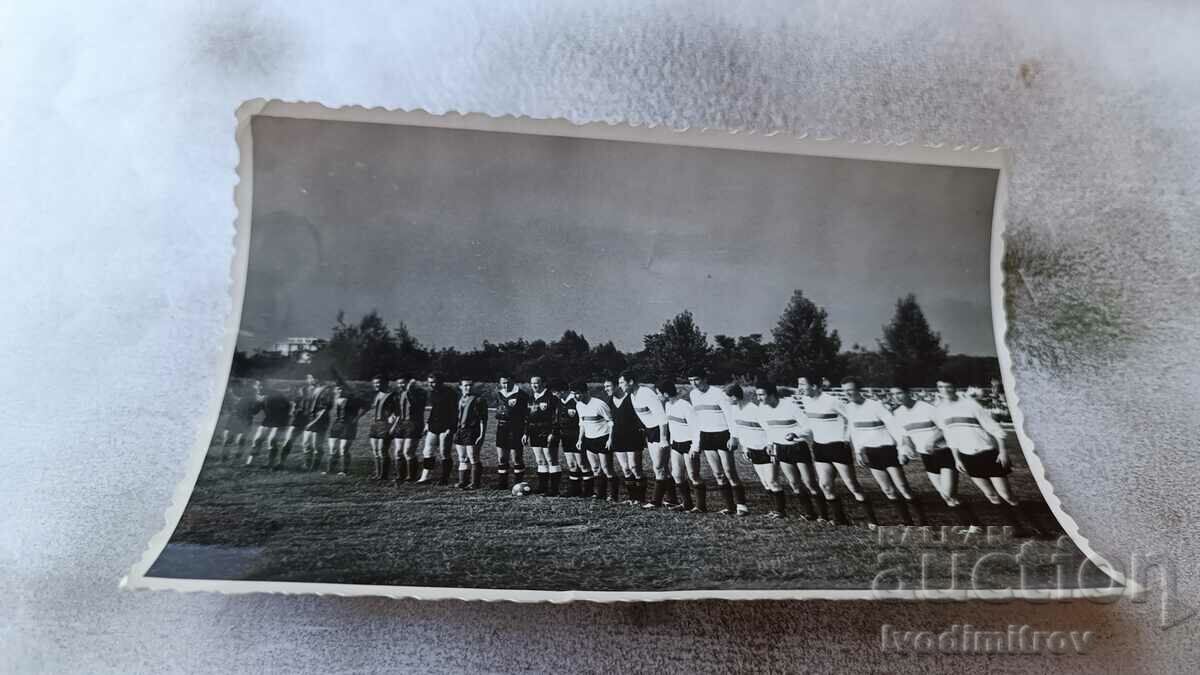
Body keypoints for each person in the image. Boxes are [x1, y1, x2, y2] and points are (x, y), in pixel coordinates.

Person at [935, 378, 1043, 536]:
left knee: (1007, 495)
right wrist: (957, 459)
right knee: (991, 496)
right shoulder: (941, 410)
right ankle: (1018, 529)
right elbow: (950, 438)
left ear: (954, 387)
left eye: (948, 386)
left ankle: (1038, 528)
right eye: (941, 387)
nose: (945, 390)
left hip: (987, 454)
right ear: (938, 389)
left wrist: (1002, 451)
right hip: (967, 458)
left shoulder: (970, 405)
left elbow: (995, 428)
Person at [889, 383, 979, 531]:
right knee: (946, 496)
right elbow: (905, 436)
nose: (896, 397)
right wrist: (905, 451)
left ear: (907, 392)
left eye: (898, 393)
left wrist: (932, 440)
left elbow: (945, 428)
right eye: (892, 395)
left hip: (944, 453)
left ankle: (974, 524)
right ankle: (972, 525)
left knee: (948, 492)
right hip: (927, 457)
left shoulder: (927, 408)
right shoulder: (898, 413)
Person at [841, 377, 914, 527]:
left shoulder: (876, 405)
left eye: (850, 389)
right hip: (871, 452)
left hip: (887, 450)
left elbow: (894, 427)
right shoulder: (849, 408)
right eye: (845, 390)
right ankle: (906, 522)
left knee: (903, 487)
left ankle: (921, 521)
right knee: (887, 489)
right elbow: (855, 432)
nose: (848, 393)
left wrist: (902, 449)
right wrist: (858, 452)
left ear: (858, 390)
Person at [797, 374, 862, 526]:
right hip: (819, 447)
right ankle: (840, 519)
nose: (799, 388)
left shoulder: (833, 401)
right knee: (825, 485)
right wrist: (798, 434)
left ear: (814, 386)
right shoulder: (806, 401)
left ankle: (873, 521)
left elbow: (851, 419)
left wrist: (846, 438)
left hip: (837, 446)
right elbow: (812, 424)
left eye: (802, 384)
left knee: (852, 485)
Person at [755, 382, 819, 521]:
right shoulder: (761, 409)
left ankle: (824, 515)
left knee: (810, 483)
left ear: (771, 395)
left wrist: (795, 434)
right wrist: (770, 443)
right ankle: (810, 513)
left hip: (798, 447)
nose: (759, 398)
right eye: (757, 395)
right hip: (781, 448)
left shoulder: (790, 406)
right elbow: (768, 430)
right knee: (794, 483)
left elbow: (808, 426)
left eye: (761, 394)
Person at [687, 367, 747, 516]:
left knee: (729, 471)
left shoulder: (718, 394)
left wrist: (733, 436)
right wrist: (698, 439)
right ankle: (729, 507)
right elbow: (698, 418)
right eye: (690, 380)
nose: (694, 383)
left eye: (696, 379)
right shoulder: (693, 394)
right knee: (718, 473)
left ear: (704, 379)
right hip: (706, 436)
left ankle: (741, 505)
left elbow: (730, 416)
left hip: (722, 434)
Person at [621, 372, 674, 509]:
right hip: (650, 432)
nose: (620, 386)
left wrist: (663, 439)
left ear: (631, 381)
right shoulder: (632, 395)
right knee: (662, 468)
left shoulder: (646, 393)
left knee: (658, 467)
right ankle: (672, 499)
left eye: (622, 383)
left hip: (659, 431)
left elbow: (662, 418)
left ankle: (656, 501)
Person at [727, 384, 778, 517]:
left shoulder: (754, 409)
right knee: (765, 482)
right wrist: (745, 448)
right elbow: (739, 430)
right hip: (752, 449)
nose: (727, 400)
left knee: (771, 480)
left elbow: (770, 429)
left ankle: (780, 510)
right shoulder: (734, 409)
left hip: (765, 449)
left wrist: (770, 445)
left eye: (728, 397)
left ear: (734, 396)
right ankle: (775, 509)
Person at [660, 381, 699, 511]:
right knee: (677, 474)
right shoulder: (667, 405)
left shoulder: (685, 406)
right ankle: (687, 503)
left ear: (665, 393)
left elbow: (695, 427)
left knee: (693, 475)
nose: (657, 396)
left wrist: (695, 446)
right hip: (676, 444)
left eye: (658, 393)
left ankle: (700, 506)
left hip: (688, 444)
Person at [572, 382, 614, 501]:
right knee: (595, 468)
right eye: (574, 394)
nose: (576, 396)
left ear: (586, 392)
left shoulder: (599, 404)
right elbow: (582, 424)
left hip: (603, 438)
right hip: (589, 440)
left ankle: (612, 494)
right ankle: (600, 494)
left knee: (607, 468)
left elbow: (611, 422)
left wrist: (610, 439)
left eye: (578, 394)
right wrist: (580, 439)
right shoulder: (579, 405)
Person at [608, 377, 647, 504]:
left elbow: (642, 414)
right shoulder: (610, 401)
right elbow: (610, 422)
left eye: (608, 386)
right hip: (618, 437)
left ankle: (640, 499)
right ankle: (632, 498)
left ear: (617, 386)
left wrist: (642, 429)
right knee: (625, 468)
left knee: (635, 467)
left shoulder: (631, 398)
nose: (605, 389)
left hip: (633, 436)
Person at [525, 375, 562, 496]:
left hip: (548, 432)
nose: (534, 385)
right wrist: (526, 433)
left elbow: (556, 418)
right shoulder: (530, 398)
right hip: (534, 432)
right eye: (532, 383)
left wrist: (553, 433)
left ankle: (554, 489)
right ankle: (543, 487)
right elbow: (527, 418)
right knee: (540, 460)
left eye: (537, 383)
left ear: (543, 383)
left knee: (551, 460)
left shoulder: (551, 398)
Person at [419, 372, 458, 485]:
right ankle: (425, 476)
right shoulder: (432, 393)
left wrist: (451, 428)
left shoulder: (450, 393)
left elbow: (454, 412)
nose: (432, 384)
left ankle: (444, 478)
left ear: (440, 382)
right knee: (427, 451)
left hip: (446, 427)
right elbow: (434, 410)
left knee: (444, 453)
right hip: (433, 426)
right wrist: (427, 424)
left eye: (434, 382)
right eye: (430, 382)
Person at [554, 381, 589, 497]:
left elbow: (583, 420)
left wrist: (581, 437)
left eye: (556, 392)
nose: (554, 395)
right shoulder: (560, 402)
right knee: (571, 463)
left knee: (582, 464)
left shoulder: (576, 401)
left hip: (577, 435)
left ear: (562, 391)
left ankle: (588, 490)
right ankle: (575, 489)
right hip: (566, 436)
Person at [494, 375, 530, 489]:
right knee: (502, 458)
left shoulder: (522, 395)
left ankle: (518, 483)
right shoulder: (499, 394)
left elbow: (526, 416)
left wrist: (525, 432)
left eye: (508, 382)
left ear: (513, 381)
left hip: (516, 428)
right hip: (501, 428)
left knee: (517, 458)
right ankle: (502, 484)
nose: (505, 385)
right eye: (503, 383)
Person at [389, 375, 426, 484]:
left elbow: (419, 406)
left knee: (408, 452)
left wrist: (410, 390)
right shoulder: (398, 394)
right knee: (398, 451)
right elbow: (397, 411)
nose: (401, 385)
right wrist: (393, 423)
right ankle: (400, 476)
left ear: (410, 382)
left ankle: (411, 476)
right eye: (399, 383)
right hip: (401, 423)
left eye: (403, 382)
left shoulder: (419, 393)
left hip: (414, 423)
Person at [453, 379, 489, 490]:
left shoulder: (478, 400)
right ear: (460, 387)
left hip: (472, 431)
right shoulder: (461, 399)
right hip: (460, 430)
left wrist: (481, 435)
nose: (468, 388)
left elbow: (484, 419)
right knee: (462, 457)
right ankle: (463, 481)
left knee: (473, 457)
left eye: (470, 386)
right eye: (465, 386)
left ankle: (475, 483)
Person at [326, 382, 366, 476]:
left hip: (348, 426)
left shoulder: (353, 400)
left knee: (343, 449)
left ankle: (344, 471)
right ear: (335, 390)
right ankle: (330, 470)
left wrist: (357, 418)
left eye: (343, 389)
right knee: (333, 448)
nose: (341, 391)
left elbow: (366, 406)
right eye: (338, 389)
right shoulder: (333, 400)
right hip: (335, 425)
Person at [366, 375, 399, 481]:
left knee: (382, 451)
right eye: (375, 383)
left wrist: (393, 427)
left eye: (378, 383)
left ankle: (384, 475)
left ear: (385, 383)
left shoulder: (392, 396)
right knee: (375, 451)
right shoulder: (377, 394)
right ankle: (377, 473)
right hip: (375, 424)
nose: (376, 385)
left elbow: (398, 413)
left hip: (385, 425)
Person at [298, 375, 332, 472]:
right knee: (306, 444)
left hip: (320, 420)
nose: (310, 380)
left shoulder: (327, 390)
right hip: (310, 418)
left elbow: (324, 410)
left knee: (316, 445)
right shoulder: (314, 389)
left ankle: (315, 466)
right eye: (309, 378)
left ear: (318, 378)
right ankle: (307, 465)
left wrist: (313, 422)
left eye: (312, 378)